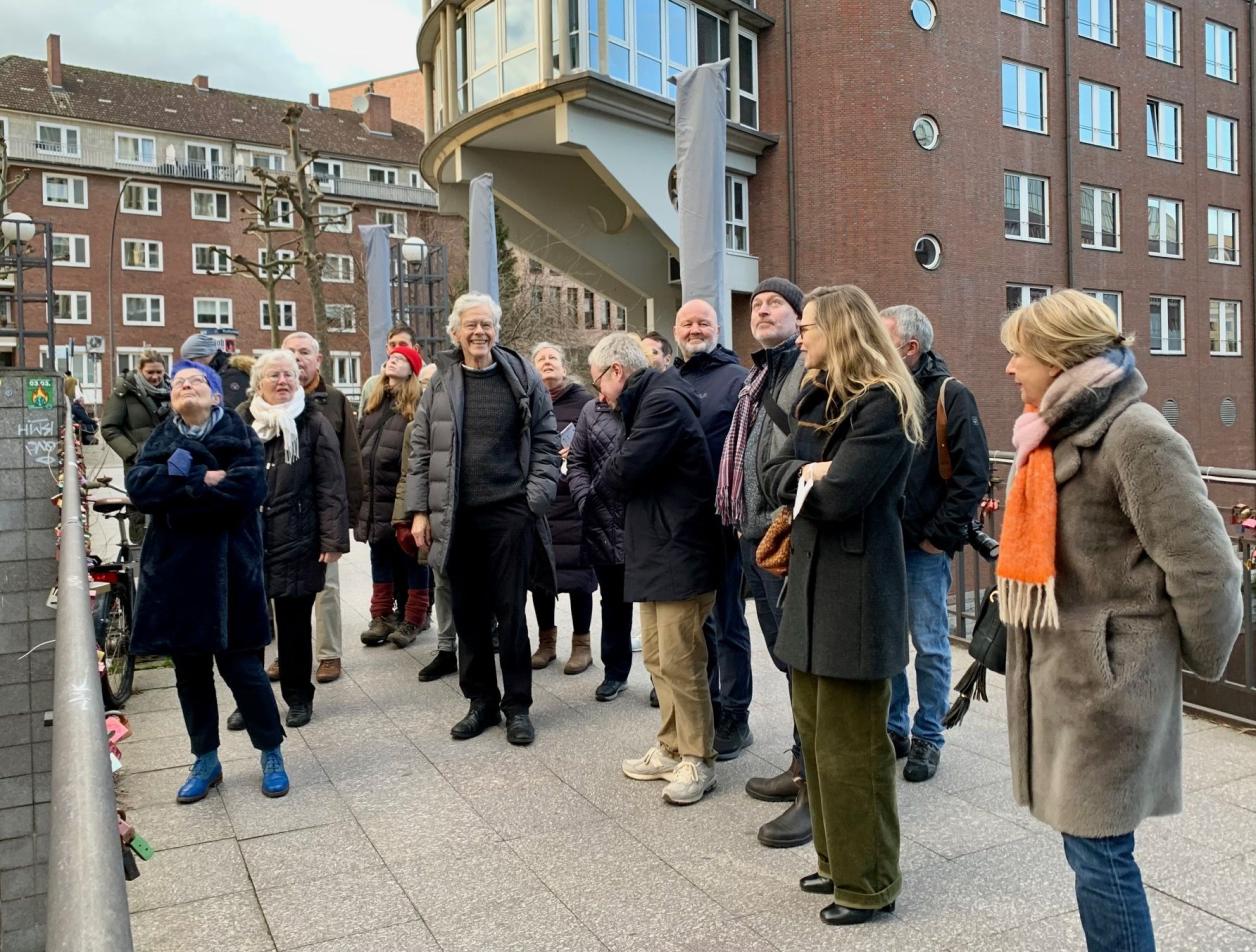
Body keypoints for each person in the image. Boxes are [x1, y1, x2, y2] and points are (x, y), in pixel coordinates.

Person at [997, 289, 1241, 952]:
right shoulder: (1051, 434)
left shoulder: (1137, 435)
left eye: (1021, 353)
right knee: (1090, 854)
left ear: (1060, 356)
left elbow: (1209, 569)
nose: (1012, 367)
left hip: (1108, 687)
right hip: (1068, 676)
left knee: (1101, 858)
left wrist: (1172, 661)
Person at [763, 285, 922, 926]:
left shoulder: (882, 402)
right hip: (809, 586)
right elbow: (771, 473)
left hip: (856, 595)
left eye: (808, 327)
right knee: (819, 739)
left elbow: (841, 497)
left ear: (840, 330)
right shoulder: (817, 395)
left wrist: (812, 478)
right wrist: (810, 473)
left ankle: (868, 884)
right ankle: (835, 862)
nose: (799, 336)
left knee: (855, 747)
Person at [126, 361, 289, 802]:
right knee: (191, 675)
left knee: (244, 671)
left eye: (195, 381)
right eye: (178, 383)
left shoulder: (239, 435)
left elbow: (248, 491)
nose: (184, 386)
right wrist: (202, 476)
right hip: (177, 579)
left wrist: (178, 492)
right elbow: (140, 488)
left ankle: (271, 751)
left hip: (232, 574)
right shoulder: (164, 437)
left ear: (216, 395)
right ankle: (205, 758)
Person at [406, 292, 560, 747]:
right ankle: (481, 703)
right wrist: (418, 511)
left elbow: (548, 441)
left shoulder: (521, 375)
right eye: (470, 326)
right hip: (456, 517)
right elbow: (420, 451)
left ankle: (517, 707)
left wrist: (534, 498)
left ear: (496, 330)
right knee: (469, 614)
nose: (479, 333)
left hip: (510, 513)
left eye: (486, 325)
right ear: (455, 333)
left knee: (511, 614)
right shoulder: (440, 382)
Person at [590, 332, 724, 806]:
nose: (598, 397)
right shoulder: (651, 399)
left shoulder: (662, 402)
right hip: (657, 546)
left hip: (679, 548)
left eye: (598, 384)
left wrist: (592, 484)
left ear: (616, 373)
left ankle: (698, 758)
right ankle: (670, 745)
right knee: (657, 659)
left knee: (683, 661)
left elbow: (626, 468)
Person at [716, 278, 812, 847]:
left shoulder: (805, 370)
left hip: (786, 534)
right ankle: (802, 762)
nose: (762, 309)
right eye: (756, 304)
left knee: (802, 659)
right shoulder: (760, 374)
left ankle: (812, 783)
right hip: (755, 535)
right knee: (785, 656)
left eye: (774, 302)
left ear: (801, 319)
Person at [880, 304, 989, 782]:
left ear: (910, 347)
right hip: (881, 544)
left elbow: (973, 476)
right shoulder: (881, 392)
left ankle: (928, 736)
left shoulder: (951, 394)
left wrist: (936, 540)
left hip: (921, 547)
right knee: (889, 646)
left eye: (882, 340)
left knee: (929, 644)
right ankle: (894, 729)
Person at [239, 350, 350, 728]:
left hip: (298, 538)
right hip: (247, 541)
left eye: (289, 374)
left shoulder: (313, 423)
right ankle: (250, 700)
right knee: (249, 628)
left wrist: (332, 539)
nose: (283, 381)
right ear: (259, 383)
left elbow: (331, 485)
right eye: (274, 376)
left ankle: (298, 697)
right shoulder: (240, 421)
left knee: (294, 627)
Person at [672, 299, 754, 761]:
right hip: (683, 523)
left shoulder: (737, 380)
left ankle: (735, 714)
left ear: (718, 328)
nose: (695, 328)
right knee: (694, 623)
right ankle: (707, 703)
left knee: (727, 621)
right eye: (688, 322)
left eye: (703, 322)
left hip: (723, 520)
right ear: (676, 329)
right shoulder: (672, 380)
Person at [281, 331, 364, 684]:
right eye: (290, 352)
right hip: (280, 511)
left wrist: (353, 512)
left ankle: (329, 654)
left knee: (325, 585)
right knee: (280, 589)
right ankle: (287, 656)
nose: (297, 358)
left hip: (320, 510)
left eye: (304, 352)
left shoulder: (333, 401)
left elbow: (351, 458)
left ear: (318, 360)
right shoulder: (266, 401)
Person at [528, 342, 597, 674]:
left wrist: (579, 451)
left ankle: (582, 644)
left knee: (580, 574)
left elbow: (603, 441)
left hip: (575, 502)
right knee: (541, 575)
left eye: (553, 357)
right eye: (540, 359)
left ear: (565, 367)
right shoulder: (527, 403)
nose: (547, 363)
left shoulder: (586, 402)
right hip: (541, 502)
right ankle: (546, 643)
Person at [358, 344, 430, 647]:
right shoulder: (373, 406)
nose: (392, 361)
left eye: (400, 359)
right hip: (374, 497)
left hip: (400, 496)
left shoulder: (417, 409)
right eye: (390, 358)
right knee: (380, 557)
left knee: (413, 559)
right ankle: (382, 615)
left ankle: (413, 618)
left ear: (412, 370)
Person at [567, 378, 634, 701]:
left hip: (643, 521)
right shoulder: (590, 411)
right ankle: (615, 672)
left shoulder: (645, 406)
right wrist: (585, 500)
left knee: (657, 606)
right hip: (603, 521)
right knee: (613, 602)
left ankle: (663, 679)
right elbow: (577, 461)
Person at [393, 363, 458, 682]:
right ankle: (446, 648)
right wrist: (404, 519)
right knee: (442, 582)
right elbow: (409, 476)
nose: (430, 387)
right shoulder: (414, 428)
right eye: (424, 383)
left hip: (471, 514)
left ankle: (488, 636)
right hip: (434, 516)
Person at [101, 349, 171, 544]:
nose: (156, 377)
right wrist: (133, 453)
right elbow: (109, 428)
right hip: (140, 464)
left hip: (170, 463)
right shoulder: (124, 393)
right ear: (140, 370)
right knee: (142, 512)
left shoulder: (172, 391)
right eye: (150, 372)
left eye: (159, 372)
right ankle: (141, 554)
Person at [180, 333, 252, 410]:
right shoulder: (217, 374)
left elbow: (226, 412)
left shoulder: (233, 375)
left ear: (203, 355)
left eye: (191, 362)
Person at [361, 324, 418, 405]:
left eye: (403, 345)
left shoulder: (427, 382)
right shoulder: (371, 385)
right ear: (387, 349)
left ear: (415, 349)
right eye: (393, 345)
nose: (397, 349)